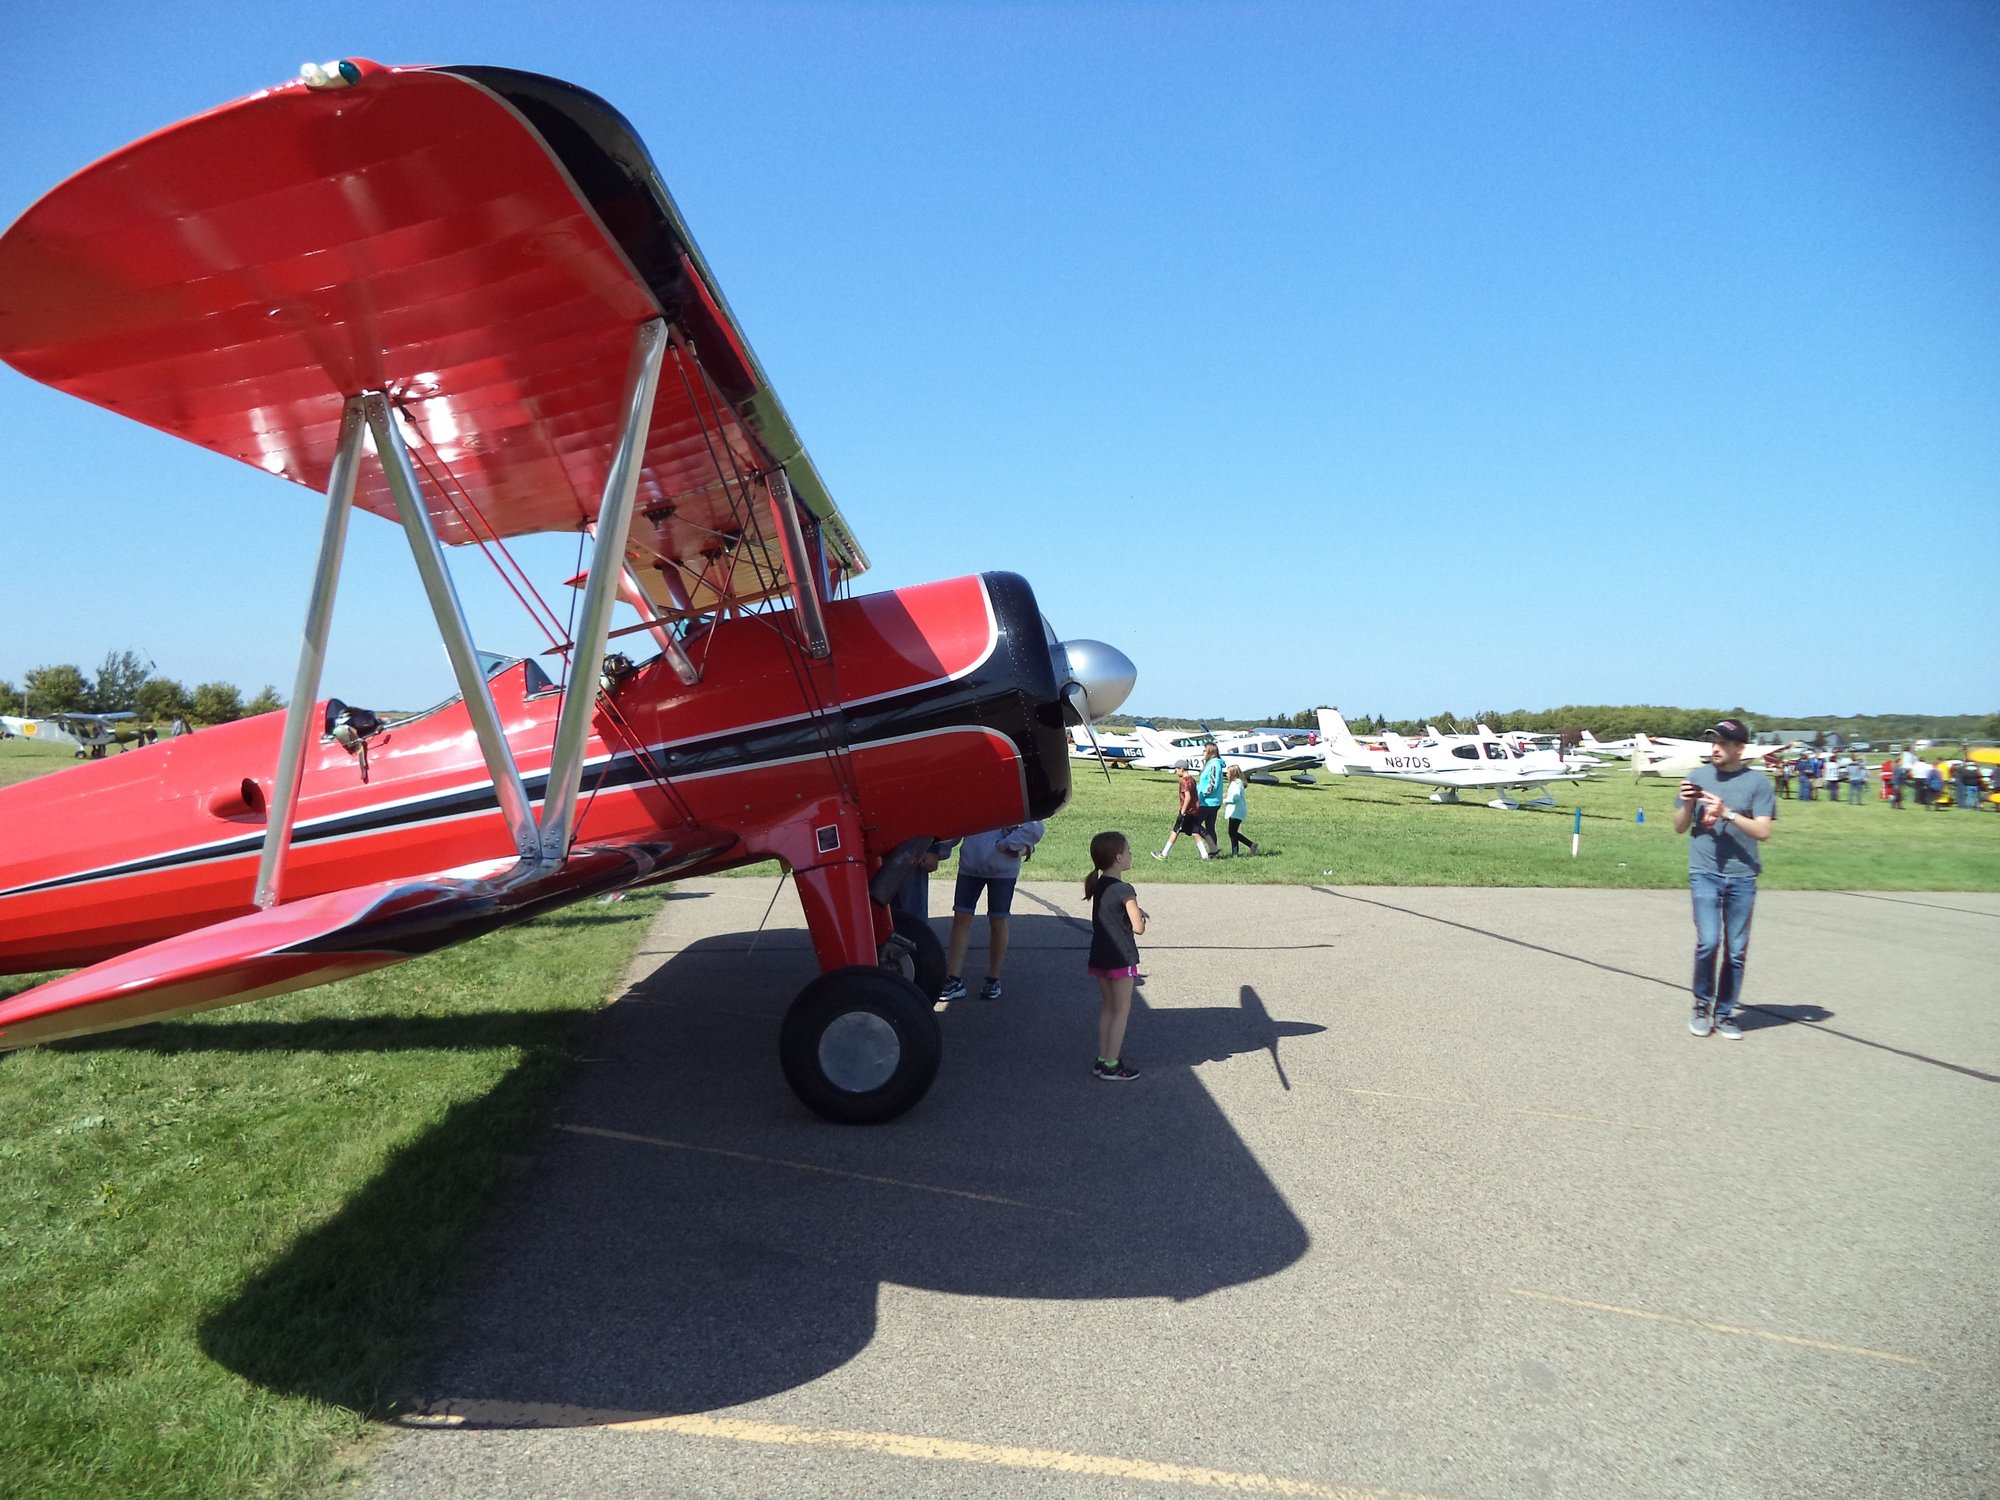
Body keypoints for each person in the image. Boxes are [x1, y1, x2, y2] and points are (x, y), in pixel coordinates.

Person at [1675, 718, 1776, 1041]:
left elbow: (1763, 832)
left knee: (1736, 950)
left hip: (1742, 876)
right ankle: (1701, 1006)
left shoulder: (1758, 784)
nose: (1715, 748)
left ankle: (1725, 1012)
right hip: (1704, 872)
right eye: (1713, 742)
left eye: (1722, 743)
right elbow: (1679, 827)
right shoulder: (1697, 777)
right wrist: (1688, 803)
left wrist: (1727, 813)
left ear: (1739, 748)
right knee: (1709, 941)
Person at [939, 821, 1044, 1002]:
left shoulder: (1011, 799)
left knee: (998, 921)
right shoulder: (971, 799)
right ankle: (953, 979)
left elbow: (1035, 828)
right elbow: (955, 825)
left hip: (1003, 870)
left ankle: (993, 979)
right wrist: (937, 850)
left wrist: (1005, 845)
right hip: (970, 866)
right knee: (961, 918)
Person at [1083, 830, 1147, 1081]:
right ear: (1118, 858)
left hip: (1100, 954)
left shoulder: (1099, 885)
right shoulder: (1125, 889)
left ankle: (1102, 1058)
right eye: (1128, 851)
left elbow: (1113, 910)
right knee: (1122, 1010)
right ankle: (1112, 1063)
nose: (1131, 854)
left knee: (1109, 1008)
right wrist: (1139, 915)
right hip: (1121, 957)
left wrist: (1134, 909)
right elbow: (1138, 928)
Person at [1153, 767, 1213, 860]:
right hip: (1194, 810)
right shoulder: (1192, 779)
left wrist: (1182, 812)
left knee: (1175, 830)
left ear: (1181, 768)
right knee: (1195, 832)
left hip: (1187, 811)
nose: (1176, 771)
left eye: (1176, 769)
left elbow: (1187, 797)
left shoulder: (1184, 781)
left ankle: (1164, 854)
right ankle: (1205, 855)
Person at [1193, 744, 1226, 855]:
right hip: (1209, 801)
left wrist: (1202, 795)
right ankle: (1213, 851)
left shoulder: (1214, 765)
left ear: (1210, 752)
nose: (1203, 753)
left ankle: (1211, 849)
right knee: (1210, 827)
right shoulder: (1209, 764)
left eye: (1204, 750)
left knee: (1193, 824)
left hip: (1209, 802)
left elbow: (1213, 784)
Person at [1220, 764, 1260, 856]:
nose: (1226, 775)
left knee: (1232, 832)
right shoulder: (1238, 782)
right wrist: (1226, 795)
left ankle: (1251, 844)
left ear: (1233, 774)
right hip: (1238, 811)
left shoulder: (1235, 783)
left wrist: (1225, 800)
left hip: (1236, 811)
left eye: (1228, 773)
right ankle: (1235, 853)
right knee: (1232, 832)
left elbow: (1236, 797)